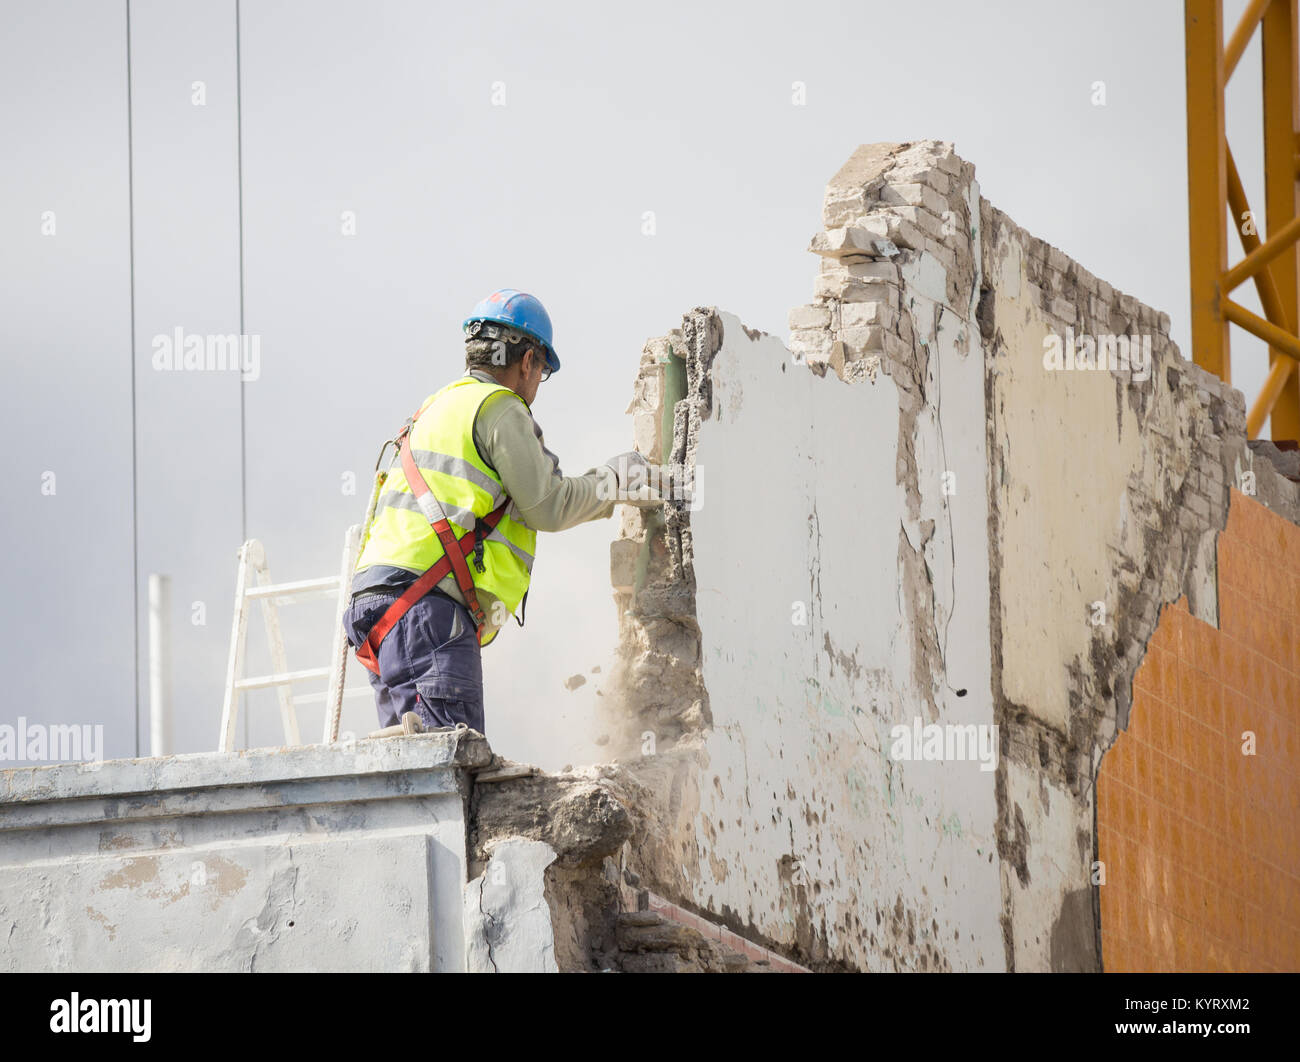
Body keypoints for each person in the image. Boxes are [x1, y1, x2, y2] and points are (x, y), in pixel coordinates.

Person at [343, 288, 649, 736]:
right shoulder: (500, 407)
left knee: (408, 768)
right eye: (541, 369)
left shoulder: (435, 406)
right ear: (528, 361)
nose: (536, 382)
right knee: (449, 766)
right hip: (426, 610)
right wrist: (616, 481)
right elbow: (547, 504)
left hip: (374, 607)